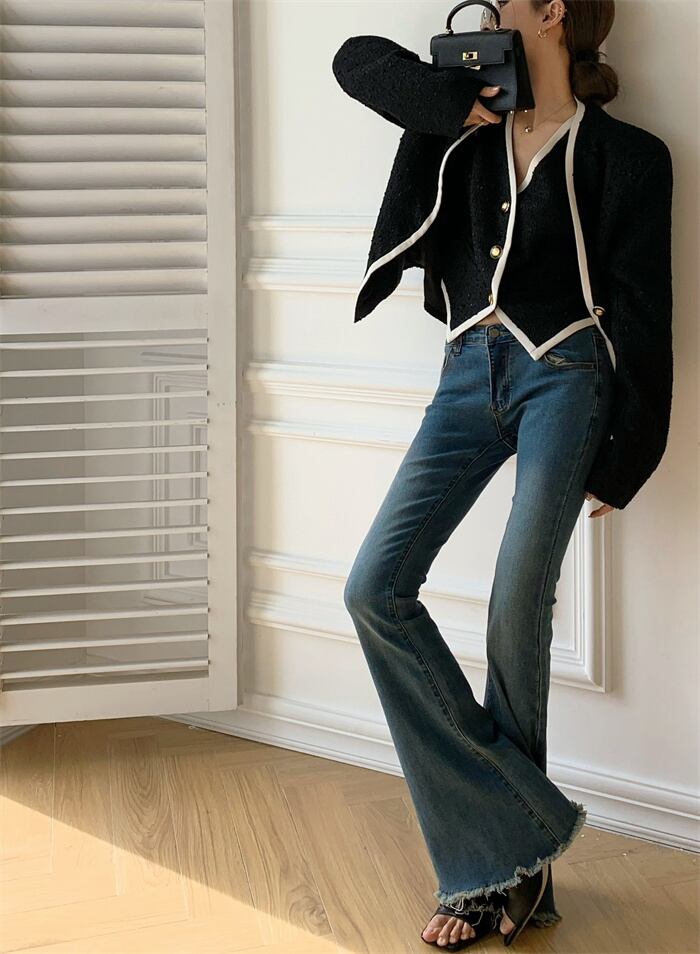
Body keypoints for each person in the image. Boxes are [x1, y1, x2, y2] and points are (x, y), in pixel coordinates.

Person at [332, 0, 674, 948]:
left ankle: (492, 881)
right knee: (372, 588)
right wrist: (452, 103)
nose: (486, 5)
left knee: (516, 604)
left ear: (554, 11)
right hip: (463, 373)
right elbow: (354, 60)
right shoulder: (460, 121)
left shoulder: (632, 156)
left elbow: (646, 311)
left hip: (568, 378)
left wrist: (627, 455)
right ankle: (516, 838)